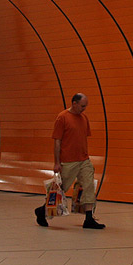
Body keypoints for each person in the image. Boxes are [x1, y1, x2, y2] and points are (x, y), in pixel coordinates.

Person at [35, 92, 105, 229]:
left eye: (85, 106)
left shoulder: (84, 118)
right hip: (68, 161)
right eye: (82, 106)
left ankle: (89, 218)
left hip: (84, 159)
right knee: (61, 189)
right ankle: (42, 211)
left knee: (89, 185)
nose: (84, 109)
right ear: (74, 103)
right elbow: (57, 141)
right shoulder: (62, 118)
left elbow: (82, 138)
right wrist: (56, 162)